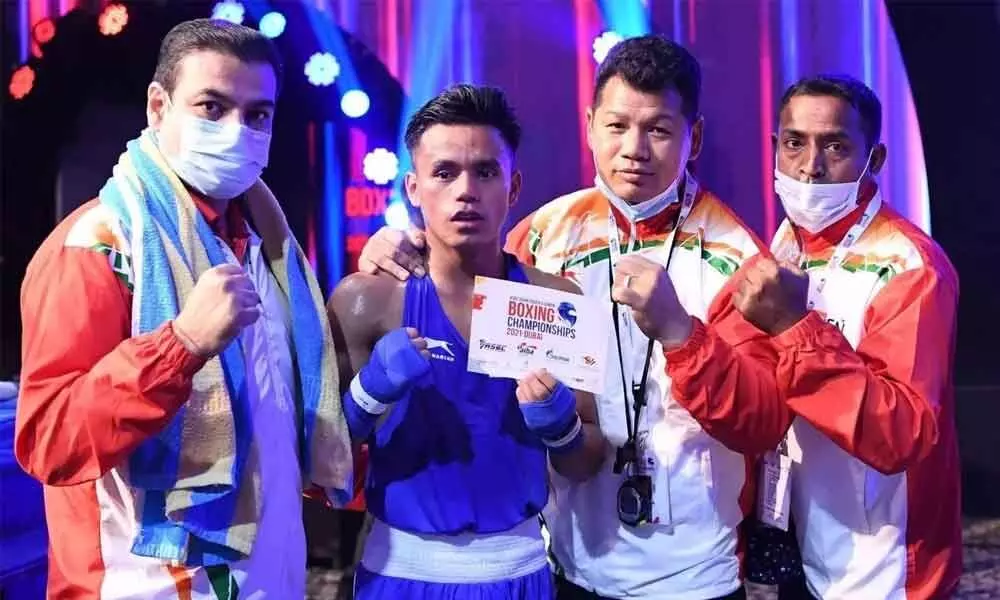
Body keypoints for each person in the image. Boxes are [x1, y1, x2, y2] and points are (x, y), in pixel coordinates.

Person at [358, 37, 789, 599]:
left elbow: (761, 425)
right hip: (569, 562)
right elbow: (456, 279)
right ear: (589, 126)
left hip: (693, 570)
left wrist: (683, 335)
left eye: (658, 129)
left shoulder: (739, 258)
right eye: (616, 126)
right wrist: (396, 251)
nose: (634, 149)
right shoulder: (542, 233)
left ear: (695, 137)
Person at [15, 19, 352, 598]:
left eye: (258, 115)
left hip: (269, 578)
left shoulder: (270, 247)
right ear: (158, 107)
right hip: (141, 583)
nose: (236, 131)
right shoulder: (99, 246)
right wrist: (181, 346)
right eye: (211, 107)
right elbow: (50, 440)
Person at [328, 83, 606, 599]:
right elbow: (321, 462)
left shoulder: (558, 301)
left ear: (514, 186)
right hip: (401, 573)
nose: (466, 191)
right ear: (413, 187)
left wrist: (561, 428)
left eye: (485, 171)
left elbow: (586, 461)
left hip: (520, 570)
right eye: (444, 172)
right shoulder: (366, 302)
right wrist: (369, 393)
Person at [734, 74, 962, 599]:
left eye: (835, 146)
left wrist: (795, 329)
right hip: (806, 544)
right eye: (795, 143)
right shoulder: (787, 239)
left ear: (875, 159)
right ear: (775, 148)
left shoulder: (909, 268)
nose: (810, 167)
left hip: (886, 568)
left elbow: (902, 431)